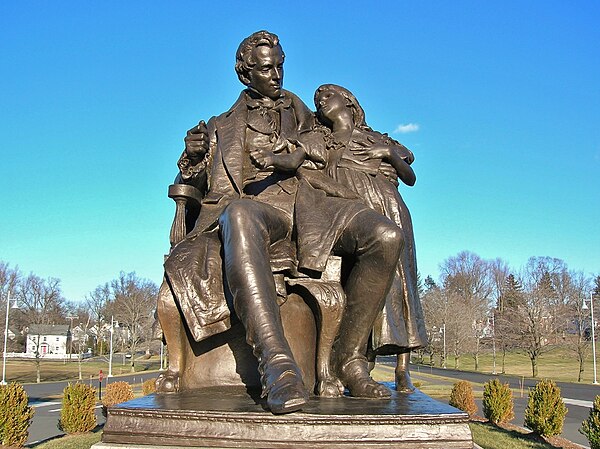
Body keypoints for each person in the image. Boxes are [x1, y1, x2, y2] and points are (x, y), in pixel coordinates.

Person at [160, 31, 403, 413]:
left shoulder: (306, 115)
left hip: (313, 206)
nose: (277, 75)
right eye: (267, 68)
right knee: (238, 212)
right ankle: (277, 363)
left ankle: (350, 360)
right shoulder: (220, 126)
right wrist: (192, 159)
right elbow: (198, 185)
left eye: (281, 65)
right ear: (246, 73)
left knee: (386, 236)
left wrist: (302, 155)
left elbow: (337, 141)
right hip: (257, 212)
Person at [311, 84, 427, 392]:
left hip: (387, 207)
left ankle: (403, 368)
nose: (321, 101)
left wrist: (388, 153)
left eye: (327, 95)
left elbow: (410, 177)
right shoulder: (322, 139)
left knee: (399, 284)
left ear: (348, 100)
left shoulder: (377, 138)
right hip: (350, 210)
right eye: (317, 99)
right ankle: (357, 359)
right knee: (359, 284)